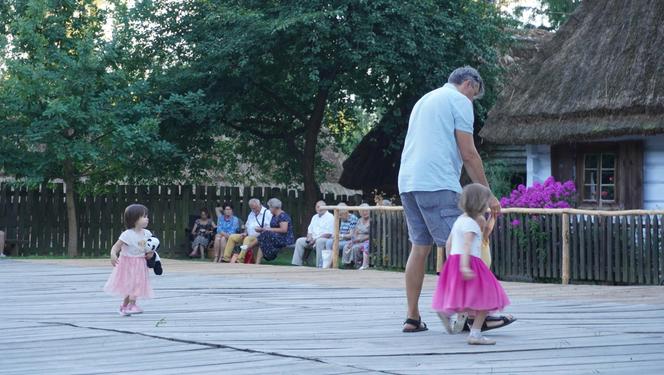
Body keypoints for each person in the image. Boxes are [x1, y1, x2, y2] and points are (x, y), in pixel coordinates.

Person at [398, 66, 503, 333]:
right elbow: (469, 153)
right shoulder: (459, 101)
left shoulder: (424, 100)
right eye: (474, 94)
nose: (472, 101)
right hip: (437, 183)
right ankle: (476, 315)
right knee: (465, 248)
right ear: (468, 84)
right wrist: (488, 195)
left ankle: (412, 317)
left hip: (408, 182)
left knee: (419, 248)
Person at [432, 184, 510, 345]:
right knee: (486, 298)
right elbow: (467, 245)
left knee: (464, 297)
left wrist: (451, 264)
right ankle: (475, 334)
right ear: (481, 204)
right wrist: (465, 266)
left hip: (454, 260)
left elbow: (448, 243)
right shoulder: (472, 224)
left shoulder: (459, 220)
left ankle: (447, 313)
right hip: (470, 262)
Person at [104, 204, 155, 316]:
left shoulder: (147, 233)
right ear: (134, 219)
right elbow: (116, 247)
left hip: (140, 262)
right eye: (144, 216)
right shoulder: (127, 234)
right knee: (132, 284)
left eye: (147, 216)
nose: (147, 218)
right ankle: (132, 305)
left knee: (136, 283)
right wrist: (113, 254)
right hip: (127, 263)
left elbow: (148, 247)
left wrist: (150, 253)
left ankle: (124, 306)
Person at [224, 198, 272, 263]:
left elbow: (270, 228)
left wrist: (261, 229)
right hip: (248, 235)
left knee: (247, 239)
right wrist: (245, 233)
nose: (254, 210)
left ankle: (240, 259)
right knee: (232, 237)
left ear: (260, 205)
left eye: (255, 208)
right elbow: (247, 225)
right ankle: (226, 258)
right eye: (252, 208)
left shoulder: (267, 213)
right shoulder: (251, 213)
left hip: (259, 237)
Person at [291, 200, 334, 267]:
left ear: (325, 208)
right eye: (317, 207)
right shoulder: (314, 217)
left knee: (319, 241)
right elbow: (310, 230)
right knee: (299, 241)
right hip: (313, 239)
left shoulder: (330, 217)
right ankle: (296, 264)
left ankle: (319, 265)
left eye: (321, 207)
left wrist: (315, 240)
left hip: (324, 239)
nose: (319, 208)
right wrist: (309, 238)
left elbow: (328, 234)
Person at [255, 198, 294, 263]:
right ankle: (257, 262)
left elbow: (284, 230)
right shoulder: (274, 216)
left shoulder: (283, 216)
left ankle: (247, 247)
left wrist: (269, 229)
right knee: (264, 236)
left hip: (285, 239)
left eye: (269, 207)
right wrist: (263, 229)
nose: (269, 209)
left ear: (274, 207)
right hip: (277, 237)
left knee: (265, 234)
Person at [341, 203, 371, 270]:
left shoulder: (371, 221)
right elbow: (355, 232)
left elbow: (371, 235)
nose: (364, 213)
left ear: (369, 211)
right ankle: (347, 264)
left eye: (366, 211)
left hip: (366, 240)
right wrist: (353, 240)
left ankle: (356, 264)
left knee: (356, 247)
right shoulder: (359, 220)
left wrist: (360, 240)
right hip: (357, 240)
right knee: (346, 246)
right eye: (362, 211)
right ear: (360, 213)